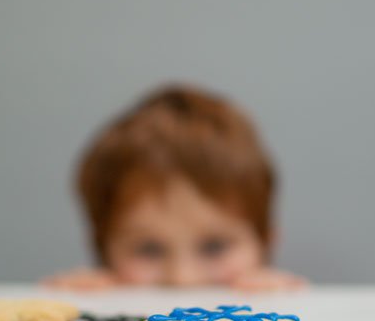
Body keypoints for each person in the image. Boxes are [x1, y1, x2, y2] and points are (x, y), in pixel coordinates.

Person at [44, 84, 305, 291]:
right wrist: (83, 299)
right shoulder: (95, 298)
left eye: (214, 246)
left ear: (266, 243)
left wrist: (280, 301)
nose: (183, 279)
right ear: (102, 249)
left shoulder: (279, 298)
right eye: (149, 249)